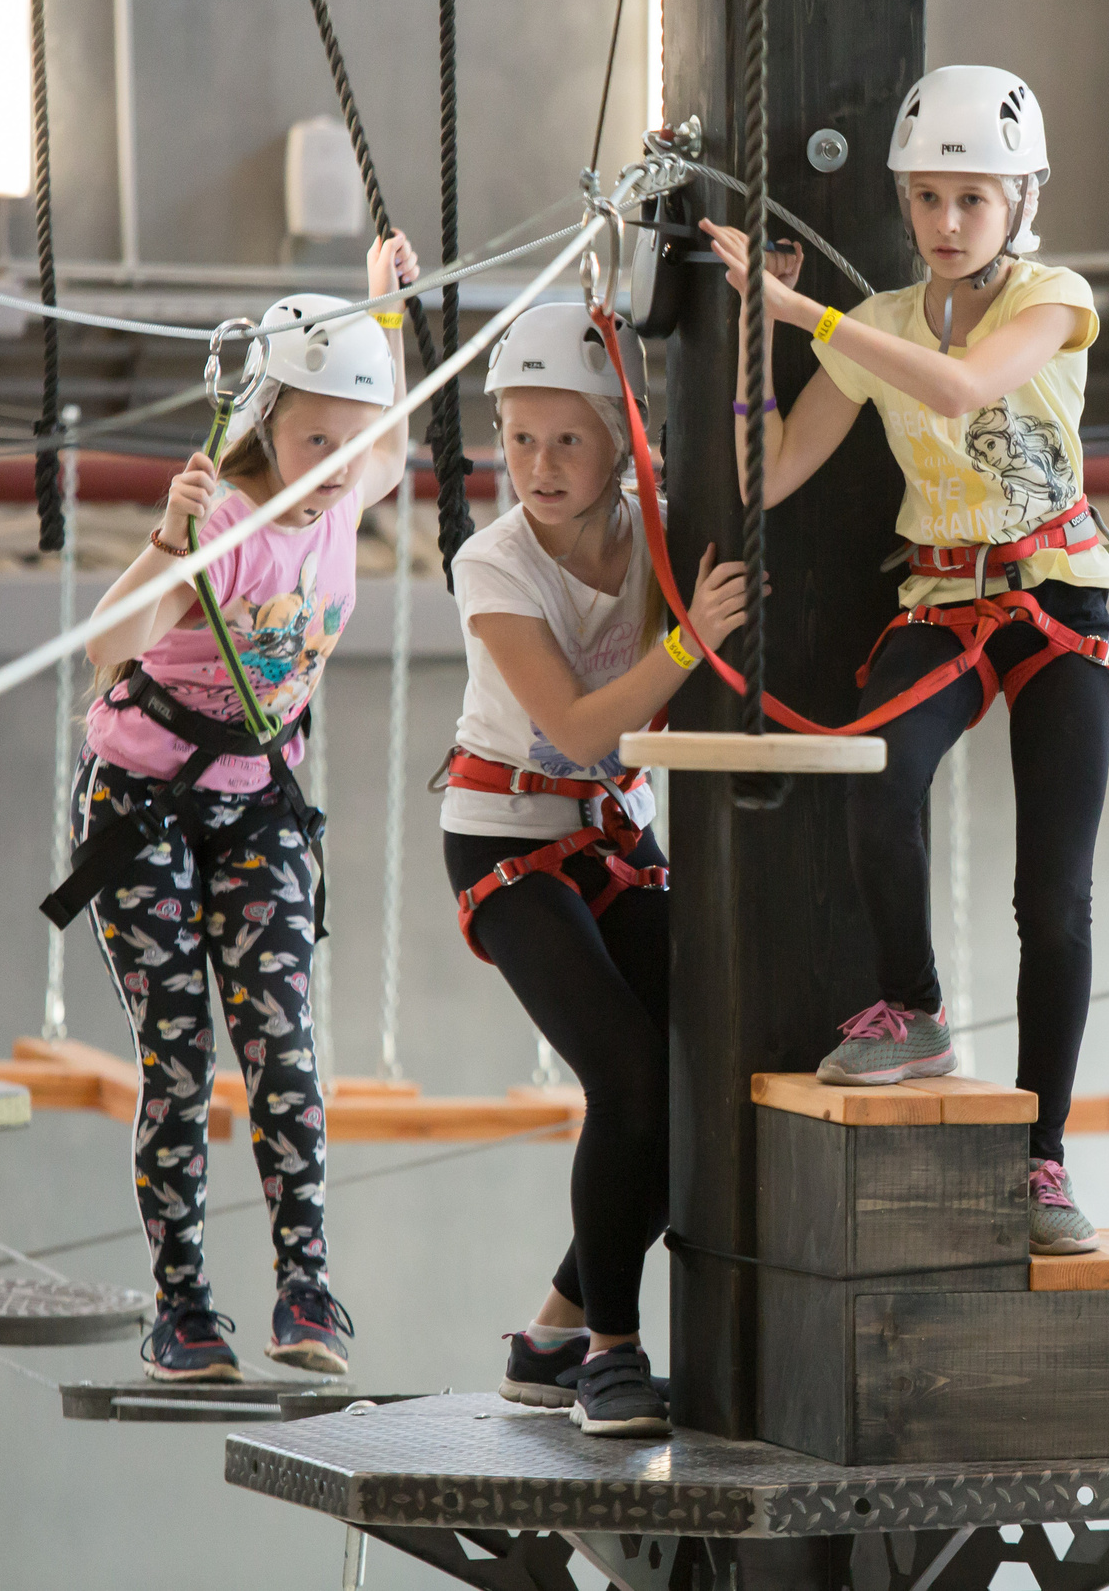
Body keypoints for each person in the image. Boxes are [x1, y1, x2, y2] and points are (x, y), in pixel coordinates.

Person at [702, 65, 1109, 1255]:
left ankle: (1043, 1160)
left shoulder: (1054, 297)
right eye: (929, 199)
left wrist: (805, 319)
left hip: (1056, 600)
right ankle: (917, 1009)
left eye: (973, 201)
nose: (947, 225)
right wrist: (756, 339)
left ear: (1021, 201)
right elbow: (770, 475)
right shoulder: (879, 323)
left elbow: (958, 385)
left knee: (1055, 899)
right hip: (942, 595)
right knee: (874, 781)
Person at [63, 235, 418, 1379]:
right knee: (178, 1055)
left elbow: (394, 435)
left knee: (283, 1045)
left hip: (256, 798)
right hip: (144, 801)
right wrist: (169, 539)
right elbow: (104, 651)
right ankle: (181, 1308)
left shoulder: (351, 475)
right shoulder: (222, 524)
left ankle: (304, 1290)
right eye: (316, 438)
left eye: (348, 442)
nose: (337, 464)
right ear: (266, 422)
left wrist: (386, 314)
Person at [442, 303, 750, 1436]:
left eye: (567, 440)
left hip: (613, 829)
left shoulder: (662, 532)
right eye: (518, 441)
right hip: (507, 832)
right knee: (627, 1075)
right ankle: (612, 1353)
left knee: (698, 1075)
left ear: (623, 445)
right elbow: (571, 728)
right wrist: (685, 645)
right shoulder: (494, 561)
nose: (538, 467)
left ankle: (550, 1335)